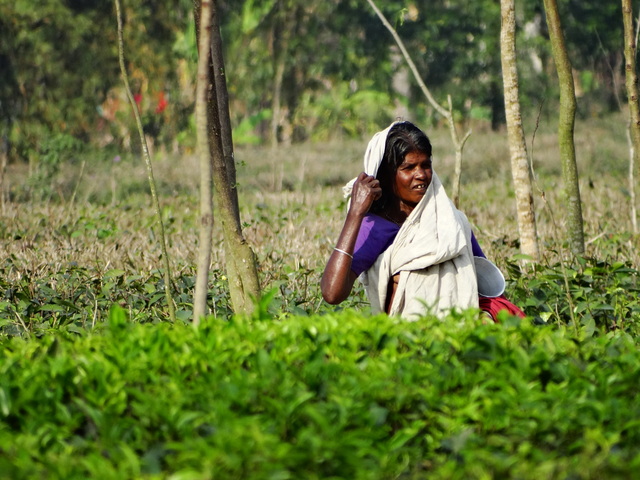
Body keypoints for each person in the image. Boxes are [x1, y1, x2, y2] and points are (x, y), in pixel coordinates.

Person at [321, 120, 525, 321]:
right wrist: (355, 214)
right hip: (407, 341)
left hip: (463, 336)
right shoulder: (375, 228)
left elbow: (486, 284)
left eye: (425, 165)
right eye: (408, 167)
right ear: (385, 174)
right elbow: (332, 294)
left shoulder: (449, 222)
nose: (420, 175)